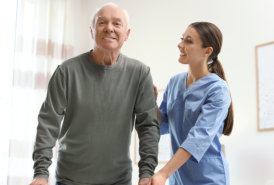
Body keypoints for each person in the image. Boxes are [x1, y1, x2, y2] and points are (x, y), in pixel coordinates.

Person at [30, 3, 159, 185]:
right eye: (102, 22)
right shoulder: (66, 71)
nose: (109, 28)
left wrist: (146, 173)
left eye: (117, 23)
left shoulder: (140, 73)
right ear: (92, 31)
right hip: (70, 180)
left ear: (127, 34)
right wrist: (41, 174)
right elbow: (48, 123)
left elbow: (148, 127)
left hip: (119, 181)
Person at [151, 22, 234, 185]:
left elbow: (198, 138)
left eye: (188, 41)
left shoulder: (218, 89)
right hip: (178, 178)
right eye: (182, 39)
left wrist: (163, 173)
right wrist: (151, 103)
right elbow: (163, 125)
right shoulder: (174, 82)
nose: (180, 44)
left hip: (209, 178)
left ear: (207, 51)